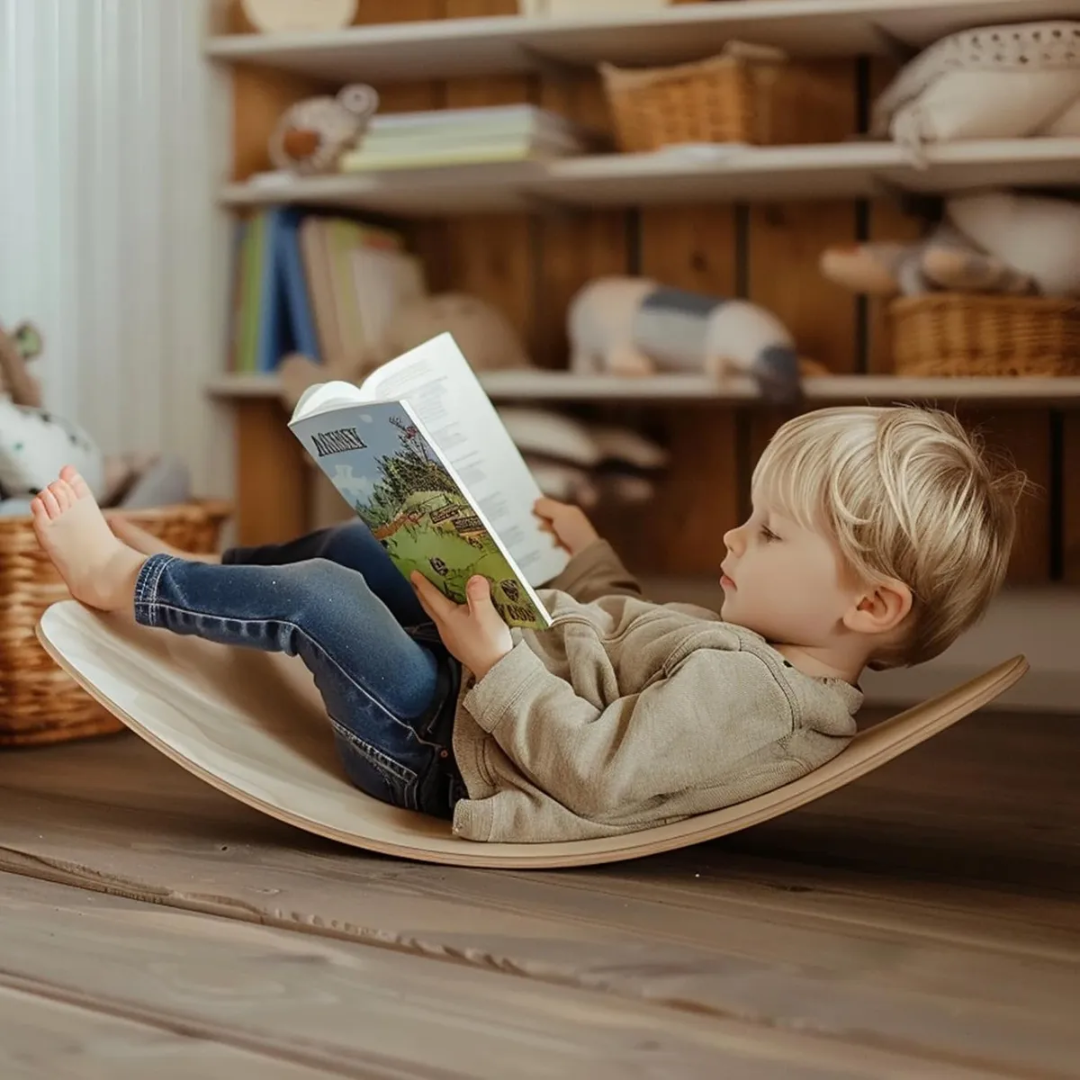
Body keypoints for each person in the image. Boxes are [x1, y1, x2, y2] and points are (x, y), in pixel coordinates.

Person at [31, 404, 1026, 844]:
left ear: (870, 606)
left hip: (454, 753)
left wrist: (500, 666)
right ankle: (194, 574)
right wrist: (593, 562)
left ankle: (124, 577)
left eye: (769, 532)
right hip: (489, 689)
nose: (733, 533)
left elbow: (599, 770)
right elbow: (638, 647)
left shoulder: (754, 700)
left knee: (324, 599)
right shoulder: (766, 664)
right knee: (363, 544)